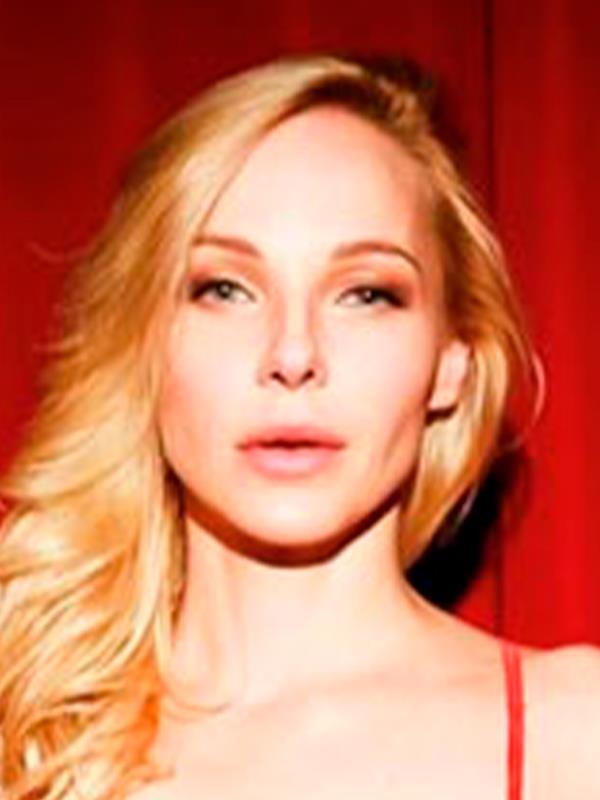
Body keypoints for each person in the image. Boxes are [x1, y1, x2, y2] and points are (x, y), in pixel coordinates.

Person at [1, 53, 599, 800]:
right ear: (142, 343)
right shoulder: (27, 730)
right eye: (224, 288)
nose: (293, 355)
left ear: (452, 363)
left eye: (367, 294)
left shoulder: (573, 735)